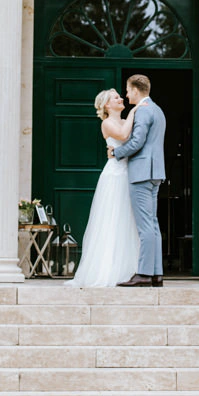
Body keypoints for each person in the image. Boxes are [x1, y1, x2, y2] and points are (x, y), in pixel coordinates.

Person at [63, 88, 141, 287]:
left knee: (127, 219)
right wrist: (134, 111)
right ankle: (107, 270)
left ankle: (128, 268)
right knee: (112, 218)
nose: (121, 99)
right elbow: (123, 135)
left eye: (120, 96)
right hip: (115, 175)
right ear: (107, 104)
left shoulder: (125, 121)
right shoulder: (107, 123)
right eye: (116, 97)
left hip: (129, 172)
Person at [113, 74, 167, 288]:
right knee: (152, 224)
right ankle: (156, 273)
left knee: (145, 226)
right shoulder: (157, 110)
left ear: (135, 90)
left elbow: (137, 141)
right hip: (155, 173)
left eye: (127, 91)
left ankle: (144, 273)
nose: (126, 95)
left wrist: (116, 152)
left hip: (142, 172)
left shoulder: (143, 110)